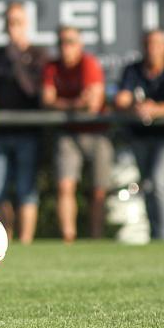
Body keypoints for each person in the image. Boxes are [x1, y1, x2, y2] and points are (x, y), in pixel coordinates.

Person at [0, 2, 47, 244]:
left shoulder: (38, 55)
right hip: (0, 132)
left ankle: (26, 242)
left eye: (18, 22)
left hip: (28, 132)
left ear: (26, 24)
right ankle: (3, 239)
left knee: (26, 190)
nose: (13, 27)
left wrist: (17, 61)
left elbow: (33, 91)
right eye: (9, 22)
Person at [115, 30, 164, 241]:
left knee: (159, 181)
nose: (153, 49)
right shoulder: (133, 70)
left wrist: (156, 109)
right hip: (140, 136)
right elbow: (121, 99)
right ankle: (155, 234)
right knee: (148, 185)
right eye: (148, 44)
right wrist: (136, 106)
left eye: (157, 44)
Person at [41, 25, 113, 242]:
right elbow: (46, 101)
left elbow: (92, 104)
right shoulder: (52, 67)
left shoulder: (89, 64)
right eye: (62, 42)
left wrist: (62, 104)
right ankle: (68, 238)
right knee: (65, 186)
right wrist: (75, 103)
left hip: (97, 133)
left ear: (80, 45)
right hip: (69, 133)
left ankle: (96, 238)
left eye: (71, 42)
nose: (66, 47)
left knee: (99, 191)